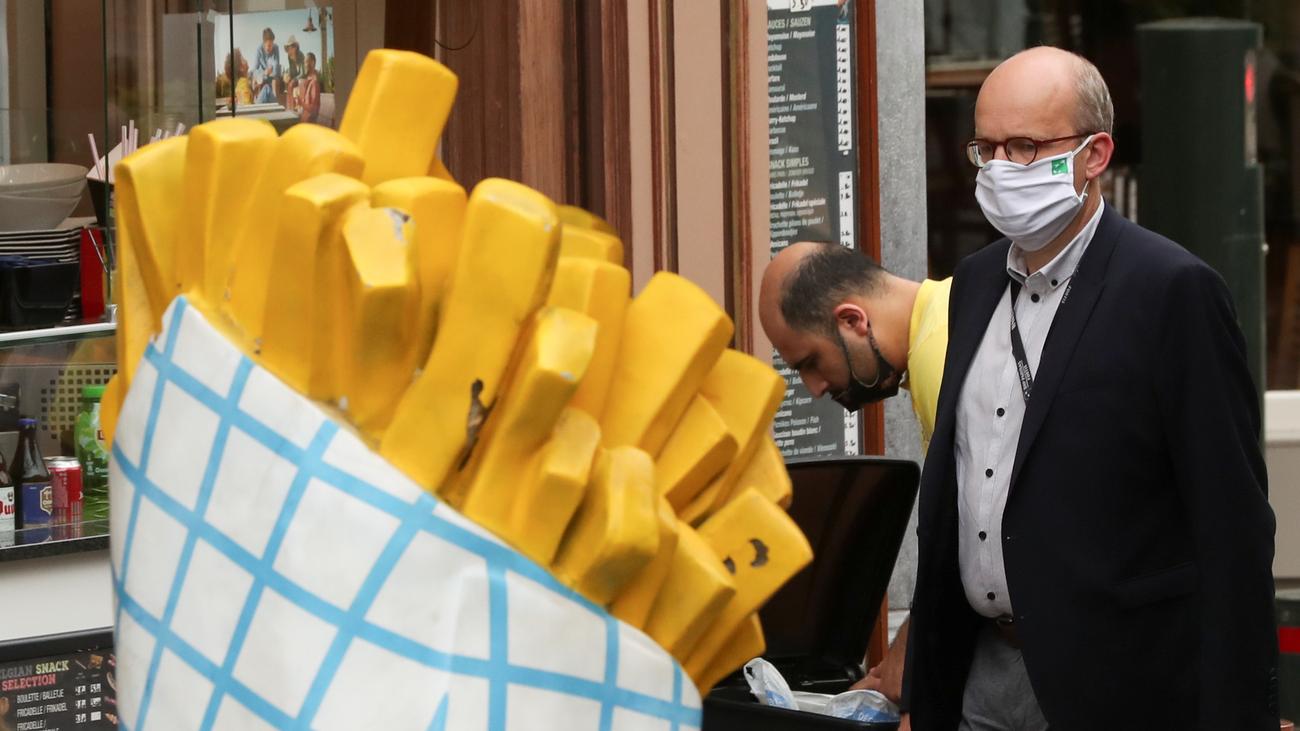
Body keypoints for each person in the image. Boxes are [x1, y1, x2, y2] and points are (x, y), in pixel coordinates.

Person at [905, 46, 1277, 730]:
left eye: (1025, 146)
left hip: (1119, 684)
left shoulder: (1171, 291)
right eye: (986, 149)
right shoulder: (975, 284)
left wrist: (1240, 711)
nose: (1000, 169)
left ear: (1094, 154)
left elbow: (1232, 522)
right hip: (978, 678)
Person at [759, 241, 949, 731]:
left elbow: (975, 537)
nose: (815, 388)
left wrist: (911, 663)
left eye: (810, 362)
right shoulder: (954, 312)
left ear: (853, 321)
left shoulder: (939, 356)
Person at [251, 27, 281, 105]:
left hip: (273, 76)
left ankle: (275, 101)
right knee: (256, 80)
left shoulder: (276, 48)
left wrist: (272, 71)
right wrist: (264, 73)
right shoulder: (259, 50)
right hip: (263, 76)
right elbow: (255, 70)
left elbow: (276, 66)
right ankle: (258, 101)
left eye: (271, 45)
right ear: (264, 43)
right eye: (268, 45)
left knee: (275, 79)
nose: (270, 48)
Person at [282, 35, 305, 111]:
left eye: (291, 47)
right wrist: (288, 76)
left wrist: (294, 79)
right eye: (288, 48)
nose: (289, 50)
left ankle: (291, 108)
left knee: (291, 84)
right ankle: (289, 108)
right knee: (289, 83)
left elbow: (303, 73)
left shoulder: (301, 56)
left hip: (302, 78)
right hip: (295, 78)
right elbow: (292, 71)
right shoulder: (289, 57)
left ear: (295, 47)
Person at [299, 52, 322, 124]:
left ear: (312, 63)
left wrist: (301, 103)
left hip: (308, 124)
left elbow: (313, 109)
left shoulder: (314, 83)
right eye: (304, 62)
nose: (304, 65)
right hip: (304, 120)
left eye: (306, 62)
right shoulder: (308, 81)